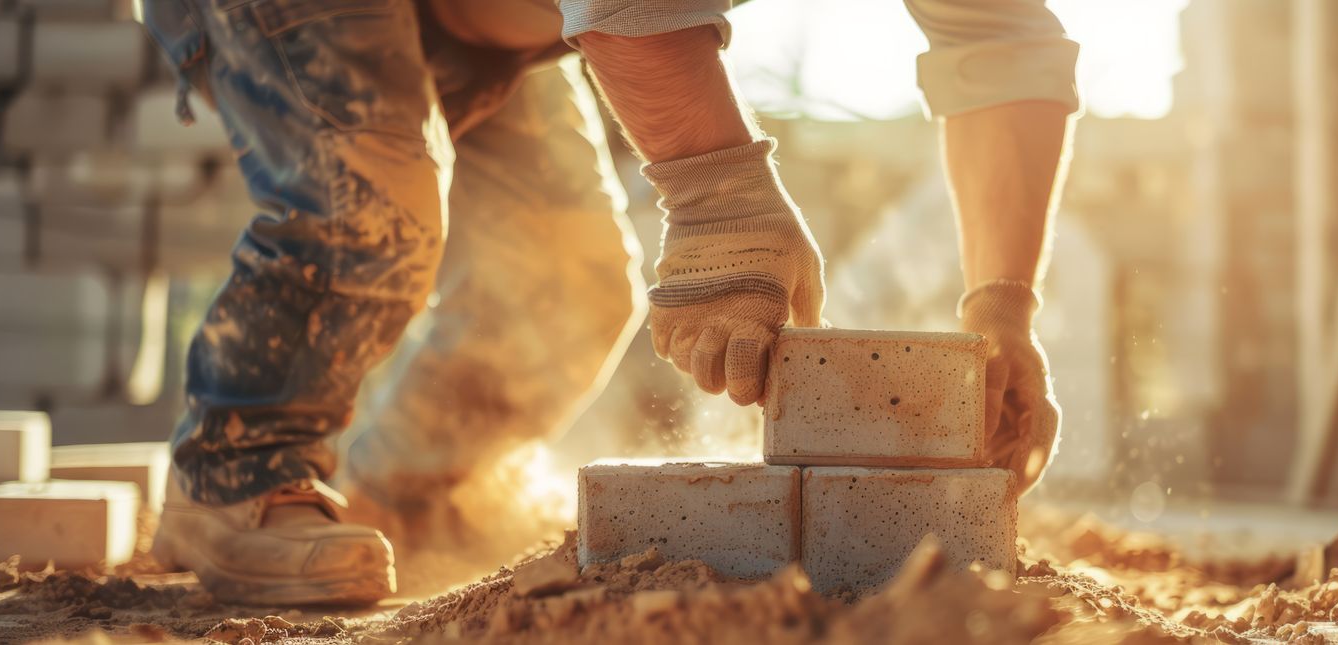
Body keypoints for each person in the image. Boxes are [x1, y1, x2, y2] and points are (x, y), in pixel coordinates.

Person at [139, 0, 1074, 605]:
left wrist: (1005, 308)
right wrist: (718, 197)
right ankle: (235, 475)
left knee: (571, 286)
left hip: (489, 30)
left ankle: (403, 495)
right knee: (371, 210)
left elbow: (1002, 45)